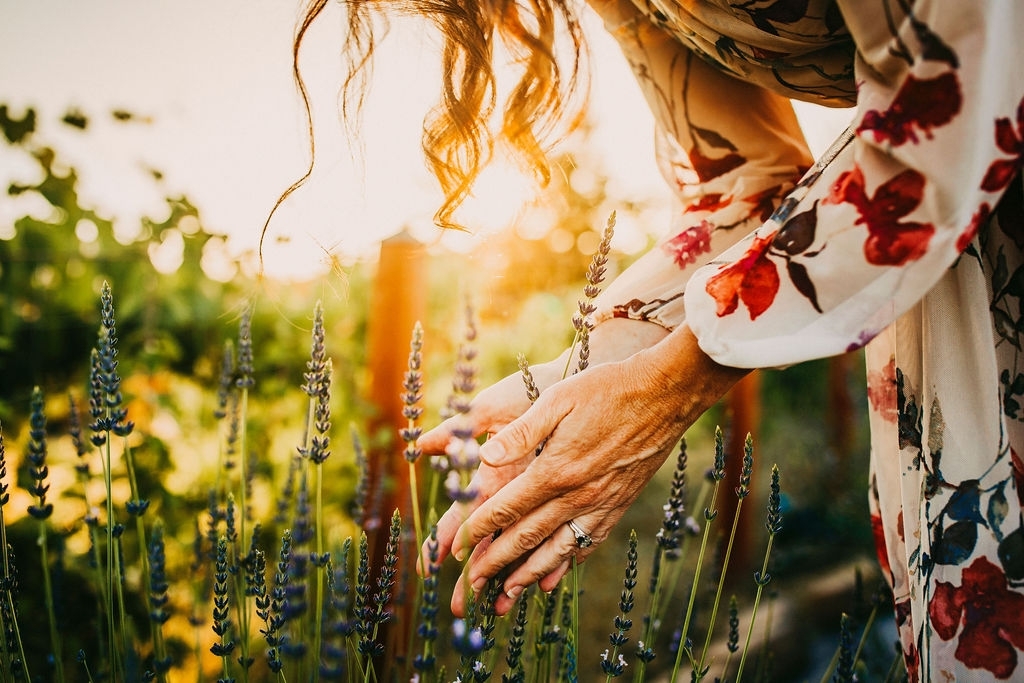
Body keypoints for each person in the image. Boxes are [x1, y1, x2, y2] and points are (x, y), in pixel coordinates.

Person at [304, 0, 1024, 678]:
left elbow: (956, 80)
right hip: (937, 266)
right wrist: (596, 361)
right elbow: (747, 179)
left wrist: (671, 384)